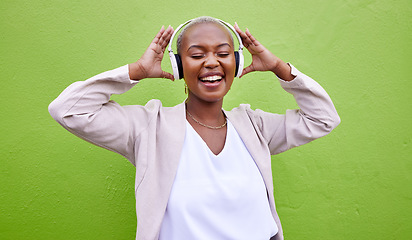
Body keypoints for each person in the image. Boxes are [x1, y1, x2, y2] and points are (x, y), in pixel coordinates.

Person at [49, 16, 340, 240]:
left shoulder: (255, 127)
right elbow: (68, 110)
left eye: (223, 53)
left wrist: (279, 67)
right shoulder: (148, 128)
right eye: (197, 55)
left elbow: (323, 118)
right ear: (178, 66)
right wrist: (135, 72)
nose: (211, 62)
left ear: (237, 63)